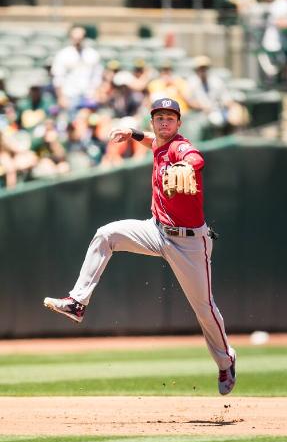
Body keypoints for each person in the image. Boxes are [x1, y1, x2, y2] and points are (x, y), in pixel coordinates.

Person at [43, 97, 236, 396]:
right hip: (156, 230)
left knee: (204, 308)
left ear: (179, 123)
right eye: (159, 117)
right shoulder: (159, 143)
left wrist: (185, 164)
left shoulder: (178, 146)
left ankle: (226, 361)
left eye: (170, 118)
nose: (164, 122)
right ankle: (78, 302)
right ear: (153, 121)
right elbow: (151, 141)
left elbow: (196, 157)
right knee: (106, 235)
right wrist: (132, 133)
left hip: (189, 242)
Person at [51, 25, 103, 113]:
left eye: (80, 38)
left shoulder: (93, 54)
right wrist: (61, 97)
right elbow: (58, 77)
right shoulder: (63, 54)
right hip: (70, 95)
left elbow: (97, 75)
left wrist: (97, 92)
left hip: (89, 95)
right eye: (75, 38)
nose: (78, 41)